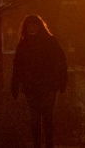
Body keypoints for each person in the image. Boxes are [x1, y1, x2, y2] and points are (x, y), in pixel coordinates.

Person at [11, 14, 67, 148]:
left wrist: (61, 81)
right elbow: (17, 66)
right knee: (36, 119)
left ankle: (48, 144)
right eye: (29, 25)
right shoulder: (24, 44)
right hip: (32, 87)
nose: (32, 28)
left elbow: (61, 62)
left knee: (46, 118)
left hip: (47, 86)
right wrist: (15, 84)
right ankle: (40, 144)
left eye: (34, 25)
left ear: (39, 26)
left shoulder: (49, 42)